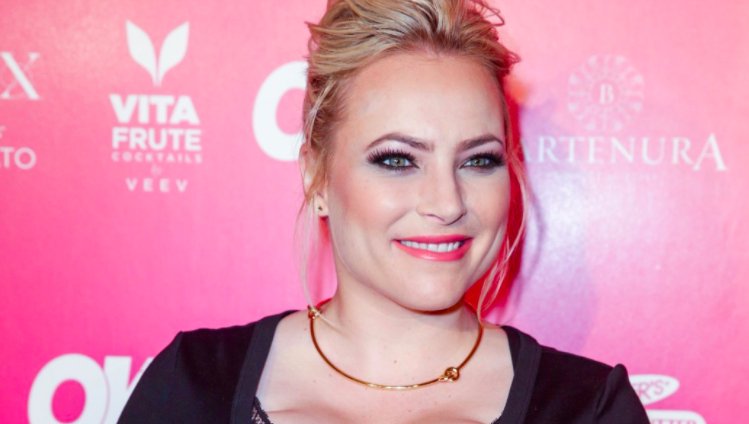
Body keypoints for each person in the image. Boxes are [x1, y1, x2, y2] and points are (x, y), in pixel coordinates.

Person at [119, 0, 649, 422]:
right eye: (397, 159)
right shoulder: (193, 386)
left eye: (479, 160)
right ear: (317, 176)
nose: (447, 203)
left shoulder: (589, 408)